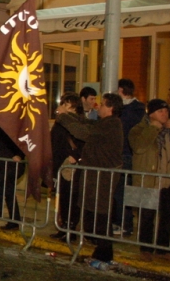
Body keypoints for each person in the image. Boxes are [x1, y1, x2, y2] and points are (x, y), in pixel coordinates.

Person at [57, 93, 124, 263]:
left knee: (100, 213)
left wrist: (64, 118)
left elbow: (83, 132)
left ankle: (104, 250)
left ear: (110, 108)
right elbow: (86, 122)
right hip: (95, 175)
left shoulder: (111, 125)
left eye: (102, 105)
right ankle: (101, 250)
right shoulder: (105, 124)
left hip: (102, 176)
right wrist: (70, 115)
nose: (98, 107)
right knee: (92, 211)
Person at [129, 98, 170, 262]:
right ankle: (146, 248)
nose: (164, 114)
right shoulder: (139, 129)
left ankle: (164, 248)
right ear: (151, 113)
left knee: (169, 216)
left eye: (166, 111)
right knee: (146, 216)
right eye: (160, 111)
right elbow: (139, 146)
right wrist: (152, 130)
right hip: (149, 180)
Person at [113, 78, 146, 235]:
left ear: (120, 91)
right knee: (124, 190)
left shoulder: (126, 112)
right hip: (130, 154)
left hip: (124, 154)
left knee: (121, 191)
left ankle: (124, 224)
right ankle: (122, 222)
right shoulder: (139, 110)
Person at [50, 93, 85, 240]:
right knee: (62, 197)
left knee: (71, 197)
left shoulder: (78, 122)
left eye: (65, 104)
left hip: (70, 164)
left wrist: (75, 156)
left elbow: (83, 141)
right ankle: (63, 227)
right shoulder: (60, 122)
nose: (62, 107)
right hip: (59, 163)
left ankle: (70, 229)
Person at [0, 126, 25, 230]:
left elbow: (23, 146)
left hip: (14, 166)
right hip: (2, 165)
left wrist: (19, 155)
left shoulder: (16, 130)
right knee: (9, 193)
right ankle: (14, 220)